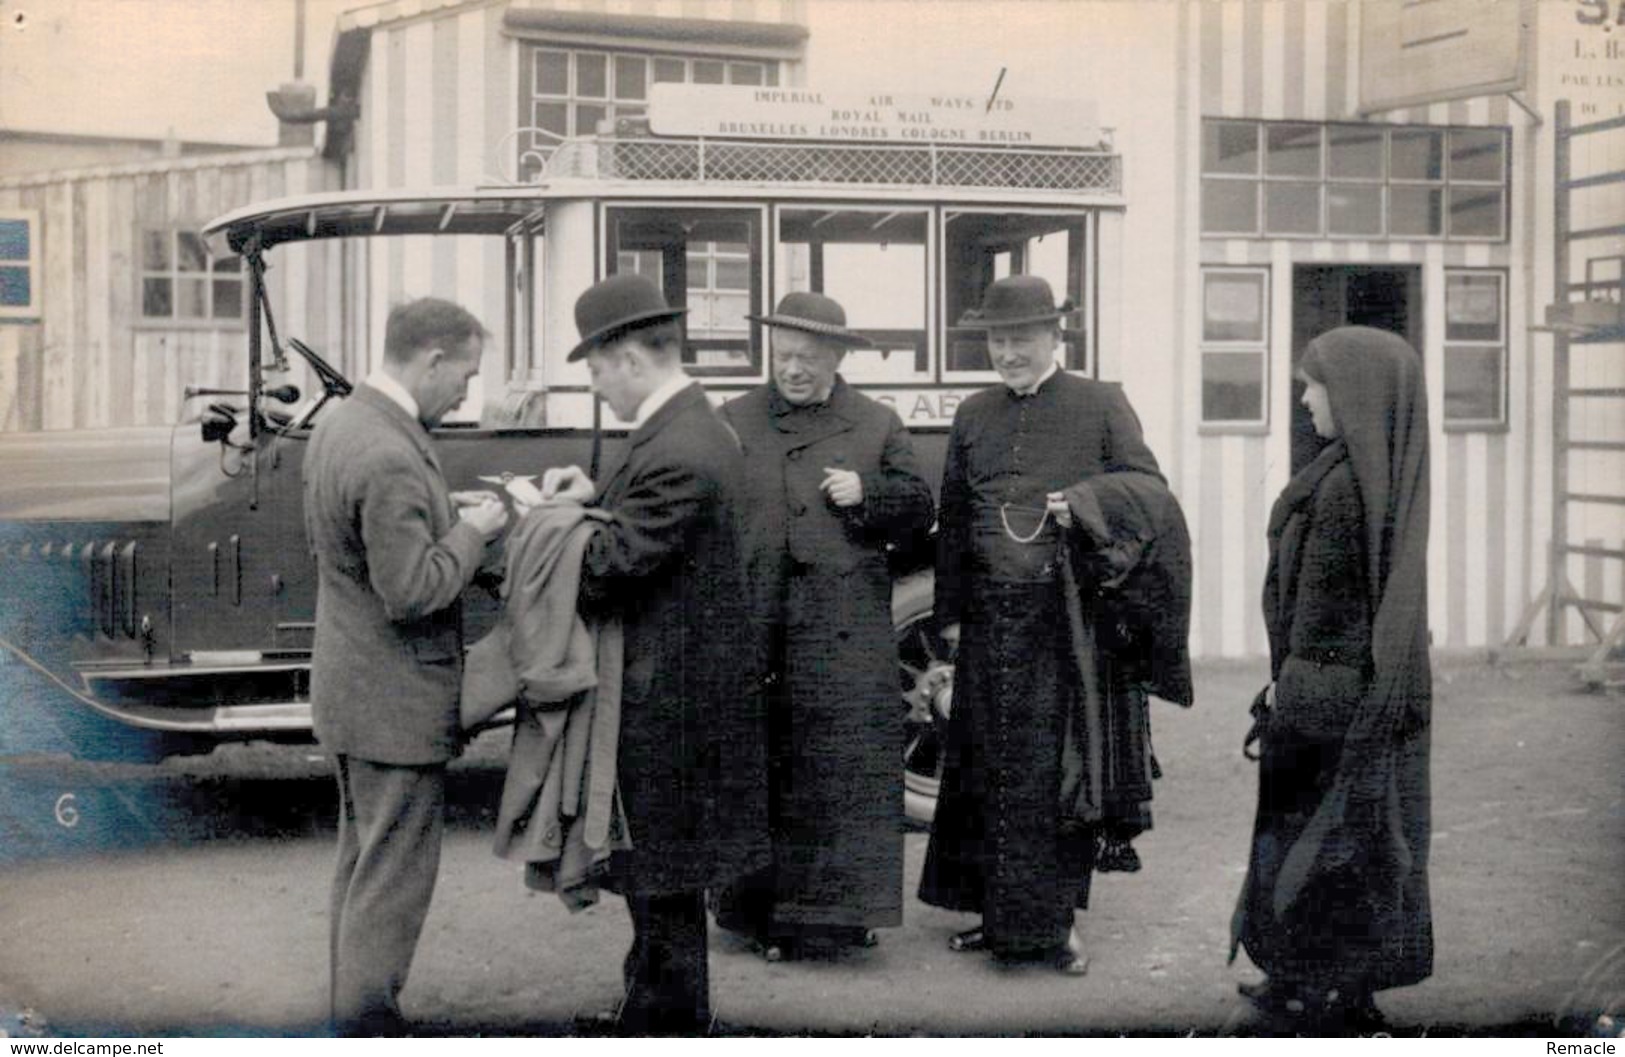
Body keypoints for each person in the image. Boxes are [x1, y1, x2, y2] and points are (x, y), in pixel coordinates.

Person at [527, 274, 769, 1034]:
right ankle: (657, 1009)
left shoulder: (683, 446)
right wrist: (590, 492)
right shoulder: (683, 429)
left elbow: (610, 564)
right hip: (676, 683)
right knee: (657, 864)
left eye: (596, 373)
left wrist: (537, 518)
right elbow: (644, 523)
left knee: (661, 865)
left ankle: (666, 1024)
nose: (598, 390)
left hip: (669, 693)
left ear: (630, 359)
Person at [917, 274, 1170, 976]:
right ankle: (995, 915)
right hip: (989, 625)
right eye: (998, 341)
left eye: (1021, 340)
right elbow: (955, 523)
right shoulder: (972, 414)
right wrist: (953, 619)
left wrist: (1085, 503)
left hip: (1063, 628)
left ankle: (1051, 925)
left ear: (1055, 337)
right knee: (982, 771)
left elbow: (1148, 492)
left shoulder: (1099, 403)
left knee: (1050, 777)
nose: (1008, 353)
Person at [303, 298, 509, 1035]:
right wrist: (477, 532)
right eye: (465, 374)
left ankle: (349, 1016)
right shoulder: (388, 449)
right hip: (394, 701)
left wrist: (445, 519)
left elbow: (374, 549)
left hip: (354, 690)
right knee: (391, 880)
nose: (466, 392)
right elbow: (412, 588)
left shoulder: (348, 424)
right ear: (430, 360)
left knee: (363, 868)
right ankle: (368, 1027)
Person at [715, 292, 935, 961]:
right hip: (760, 622)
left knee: (840, 773)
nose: (793, 369)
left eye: (808, 357)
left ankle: (841, 917)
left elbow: (918, 506)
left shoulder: (874, 422)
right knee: (763, 769)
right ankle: (761, 918)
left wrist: (870, 494)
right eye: (782, 355)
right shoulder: (732, 419)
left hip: (842, 631)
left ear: (837, 358)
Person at [1231, 326, 1433, 1030]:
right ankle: (1299, 974)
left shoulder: (1347, 487)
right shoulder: (1348, 474)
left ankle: (1338, 992)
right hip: (1312, 692)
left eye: (1313, 383)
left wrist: (1301, 683)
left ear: (1351, 393)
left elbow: (1327, 614)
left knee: (1333, 845)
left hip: (1327, 699)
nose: (1304, 396)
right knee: (1310, 839)